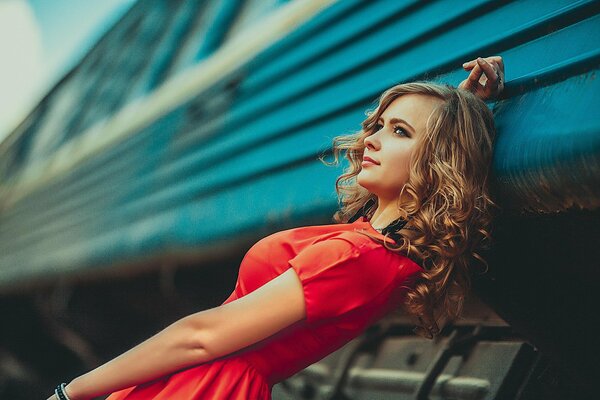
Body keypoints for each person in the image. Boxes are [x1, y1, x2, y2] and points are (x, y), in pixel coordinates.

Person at [48, 56, 505, 400]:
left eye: (400, 132)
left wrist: (71, 393)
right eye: (380, 125)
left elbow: (199, 338)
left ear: (438, 160)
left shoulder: (357, 257)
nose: (372, 138)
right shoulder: (372, 247)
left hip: (205, 386)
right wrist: (465, 105)